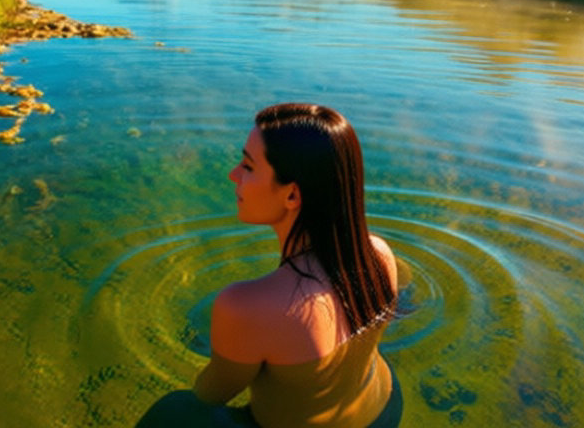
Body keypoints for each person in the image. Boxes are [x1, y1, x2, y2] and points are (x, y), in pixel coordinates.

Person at [137, 103, 402, 427]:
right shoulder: (379, 254)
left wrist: (230, 343)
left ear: (292, 195)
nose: (233, 174)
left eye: (248, 166)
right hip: (385, 409)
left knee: (177, 409)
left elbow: (211, 394)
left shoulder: (246, 306)